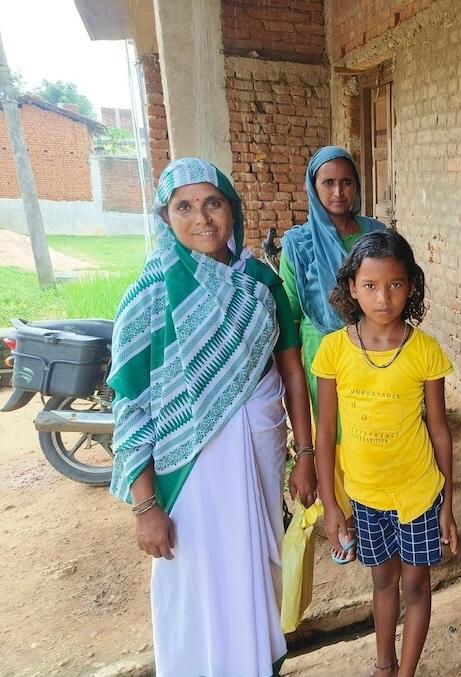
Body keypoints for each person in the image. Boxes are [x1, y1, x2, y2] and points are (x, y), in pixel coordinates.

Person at [108, 159, 316, 677]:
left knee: (255, 566)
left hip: (261, 450)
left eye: (213, 203)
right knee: (196, 579)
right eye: (184, 206)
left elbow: (290, 372)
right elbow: (130, 403)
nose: (201, 218)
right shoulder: (150, 293)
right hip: (186, 472)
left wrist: (306, 454)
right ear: (165, 216)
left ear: (232, 210)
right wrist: (144, 506)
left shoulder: (260, 283)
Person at [312, 230, 459, 677]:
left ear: (411, 286)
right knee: (382, 580)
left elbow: (439, 430)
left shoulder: (425, 351)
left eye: (395, 284)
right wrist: (331, 503)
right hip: (365, 494)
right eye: (371, 285)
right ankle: (383, 665)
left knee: (416, 583)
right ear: (352, 288)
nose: (383, 297)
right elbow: (325, 434)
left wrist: (448, 503)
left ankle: (406, 672)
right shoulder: (333, 350)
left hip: (418, 491)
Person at [280, 145, 387, 563]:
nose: (338, 191)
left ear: (358, 185)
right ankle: (338, 516)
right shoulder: (299, 243)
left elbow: (392, 282)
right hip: (322, 348)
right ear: (313, 186)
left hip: (373, 344)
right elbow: (289, 307)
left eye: (346, 182)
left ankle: (372, 512)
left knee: (371, 425)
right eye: (328, 182)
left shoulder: (376, 233)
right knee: (331, 432)